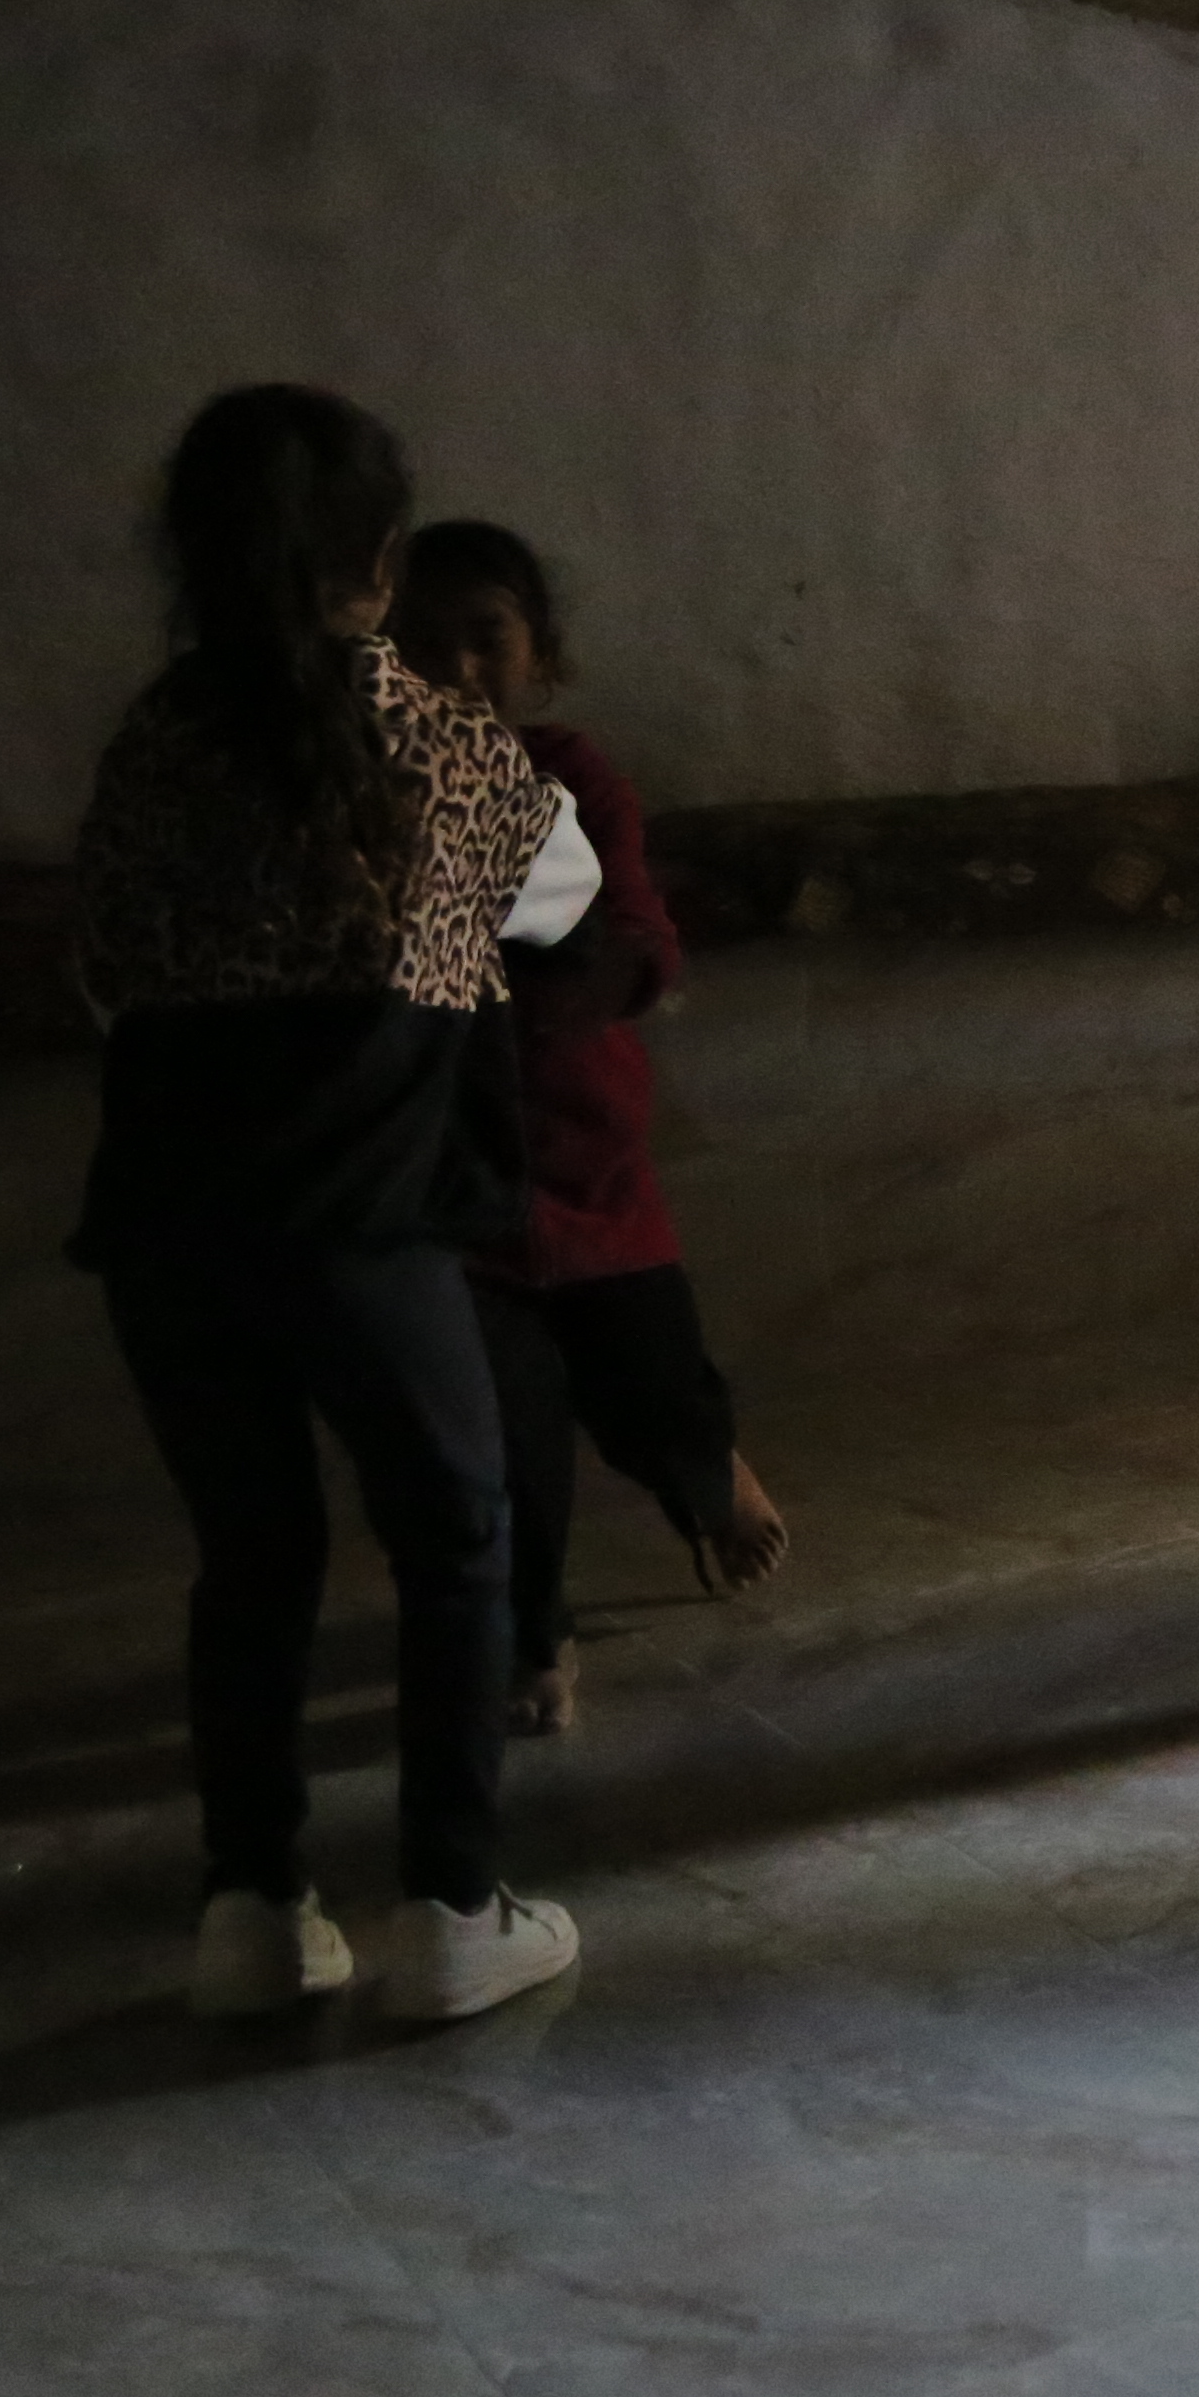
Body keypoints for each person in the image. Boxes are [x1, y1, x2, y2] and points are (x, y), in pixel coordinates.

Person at [69, 386, 600, 2023]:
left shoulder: (156, 739)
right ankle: (449, 1906)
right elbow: (562, 903)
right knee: (454, 1539)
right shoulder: (442, 740)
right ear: (381, 557)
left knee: (252, 1557)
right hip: (360, 1229)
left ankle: (253, 1908)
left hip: (166, 1229)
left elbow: (104, 977)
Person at [390, 519, 792, 1739]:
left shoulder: (568, 778)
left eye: (488, 638)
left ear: (542, 655)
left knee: (650, 1375)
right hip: (448, 1171)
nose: (459, 669)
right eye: (424, 644)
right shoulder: (375, 786)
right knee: (504, 1435)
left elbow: (632, 936)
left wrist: (574, 976)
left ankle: (705, 1473)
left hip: (583, 1153)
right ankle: (533, 1632)